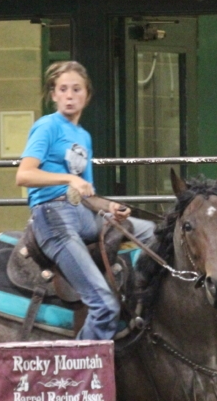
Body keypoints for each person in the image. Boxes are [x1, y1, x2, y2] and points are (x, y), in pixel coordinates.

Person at [16, 61, 156, 340]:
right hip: (53, 217)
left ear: (87, 96)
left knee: (151, 232)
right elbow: (24, 175)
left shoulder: (83, 136)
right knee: (105, 306)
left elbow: (88, 194)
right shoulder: (47, 126)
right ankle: (81, 365)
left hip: (83, 214)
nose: (69, 95)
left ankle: (137, 297)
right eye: (63, 89)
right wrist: (68, 179)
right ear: (53, 95)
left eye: (76, 89)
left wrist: (110, 208)